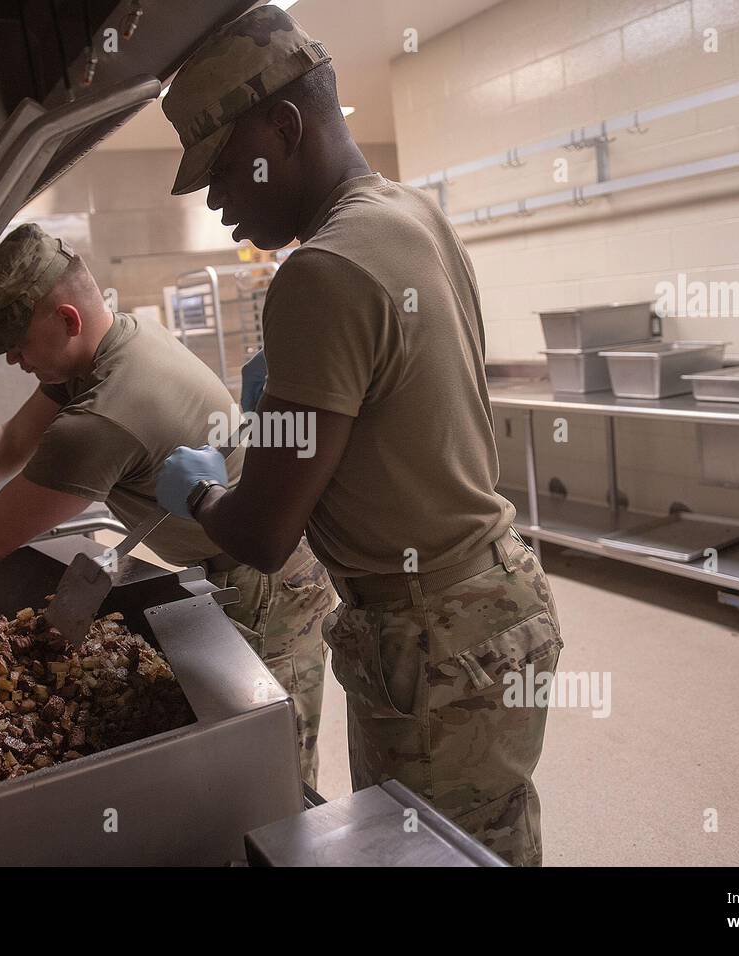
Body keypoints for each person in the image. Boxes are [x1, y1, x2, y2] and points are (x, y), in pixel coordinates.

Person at [154, 6, 563, 866]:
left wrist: (195, 491)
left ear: (284, 125)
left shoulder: (321, 270)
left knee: (433, 854)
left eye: (224, 171)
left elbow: (264, 535)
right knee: (487, 839)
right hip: (489, 599)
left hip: (434, 640)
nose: (220, 203)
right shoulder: (410, 214)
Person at [0, 224, 334, 788]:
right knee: (247, 751)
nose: (13, 359)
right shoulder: (110, 345)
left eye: (18, 344)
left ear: (68, 320)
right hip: (238, 561)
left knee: (271, 759)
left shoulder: (104, 415)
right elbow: (11, 445)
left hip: (268, 584)